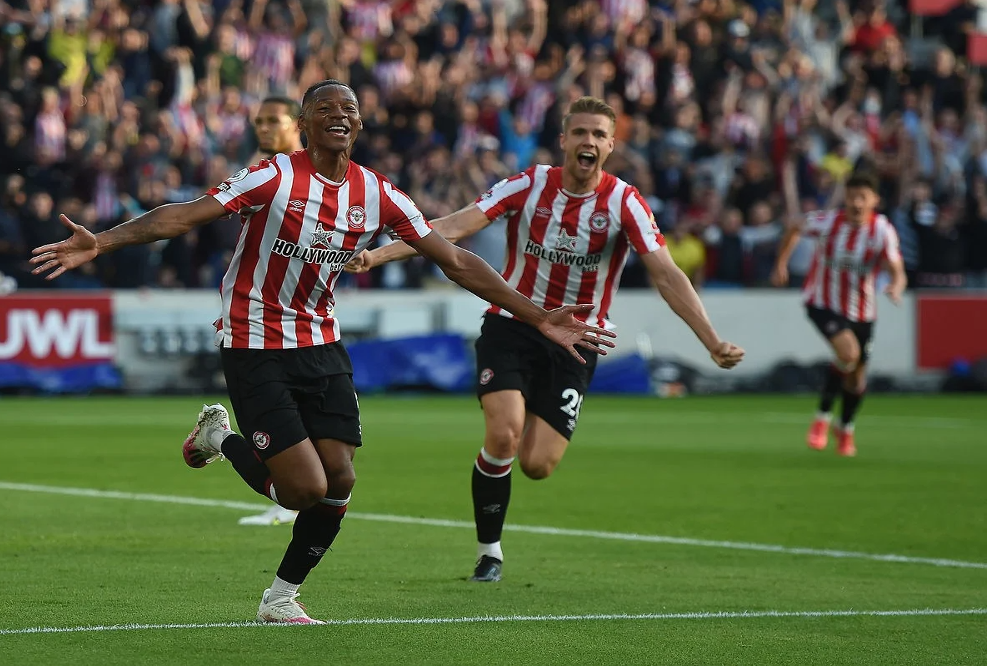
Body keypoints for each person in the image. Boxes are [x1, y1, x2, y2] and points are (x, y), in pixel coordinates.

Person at [29, 80, 615, 624]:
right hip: (255, 339)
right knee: (302, 489)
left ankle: (281, 597)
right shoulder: (273, 178)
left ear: (359, 126)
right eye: (327, 109)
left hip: (322, 342)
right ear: (304, 124)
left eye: (350, 109)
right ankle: (223, 440)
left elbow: (455, 259)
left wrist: (539, 318)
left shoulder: (377, 193)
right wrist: (101, 242)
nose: (341, 115)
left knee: (339, 478)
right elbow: (182, 216)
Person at [345, 96, 745, 583]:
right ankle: (489, 551)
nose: (589, 142)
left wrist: (710, 339)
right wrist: (377, 256)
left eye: (599, 134)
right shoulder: (529, 184)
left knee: (537, 464)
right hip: (514, 323)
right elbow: (453, 226)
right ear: (563, 140)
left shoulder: (625, 203)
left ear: (612, 145)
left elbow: (666, 273)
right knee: (503, 431)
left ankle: (508, 486)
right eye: (580, 132)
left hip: (579, 340)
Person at [771, 170, 906, 457]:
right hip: (822, 302)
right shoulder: (827, 222)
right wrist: (781, 263)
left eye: (863, 197)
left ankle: (845, 429)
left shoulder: (882, 230)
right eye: (852, 196)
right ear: (845, 197)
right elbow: (795, 227)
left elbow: (897, 270)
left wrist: (896, 286)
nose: (857, 203)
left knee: (856, 379)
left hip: (863, 311)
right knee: (848, 354)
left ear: (875, 200)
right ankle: (821, 419)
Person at [231, 96, 303, 527]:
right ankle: (286, 500)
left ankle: (288, 498)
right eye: (257, 121)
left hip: (309, 318)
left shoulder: (321, 174)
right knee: (282, 412)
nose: (262, 128)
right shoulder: (260, 174)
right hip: (260, 319)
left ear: (298, 123)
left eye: (272, 121)